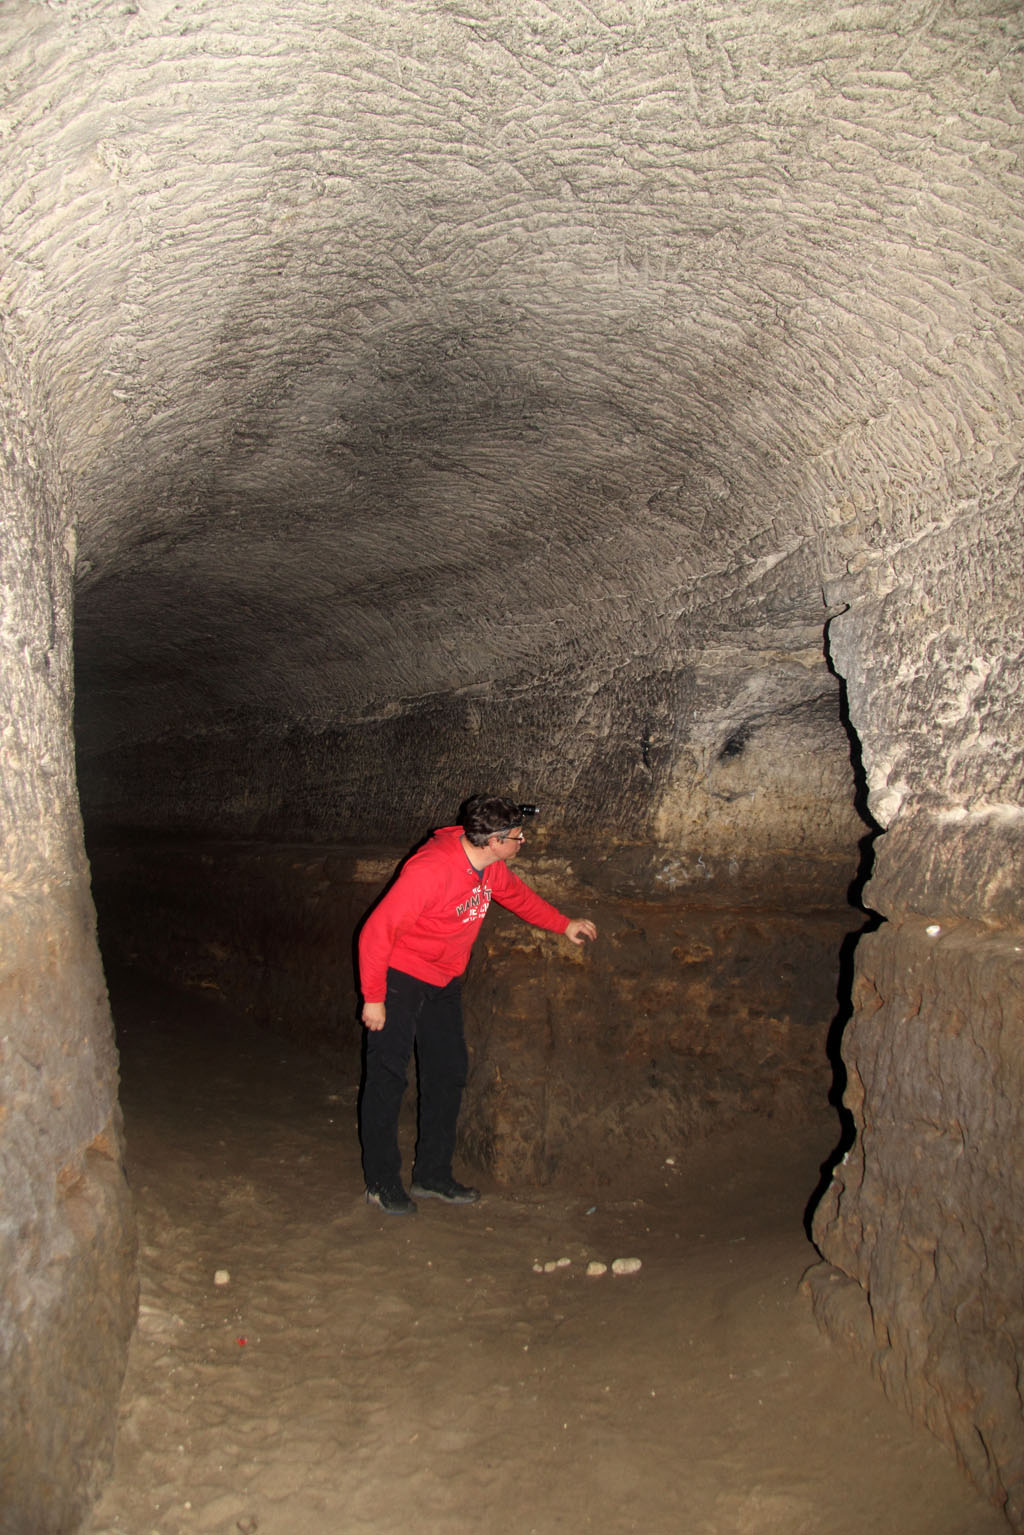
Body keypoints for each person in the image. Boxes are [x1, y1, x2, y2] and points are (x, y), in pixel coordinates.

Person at [357, 793, 598, 1214]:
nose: (522, 843)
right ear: (493, 842)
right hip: (400, 977)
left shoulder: (490, 868)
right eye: (518, 838)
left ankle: (431, 1174)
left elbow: (518, 898)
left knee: (448, 1072)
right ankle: (380, 1181)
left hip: (443, 977)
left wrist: (564, 924)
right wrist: (374, 998)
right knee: (387, 1076)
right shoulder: (431, 871)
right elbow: (376, 933)